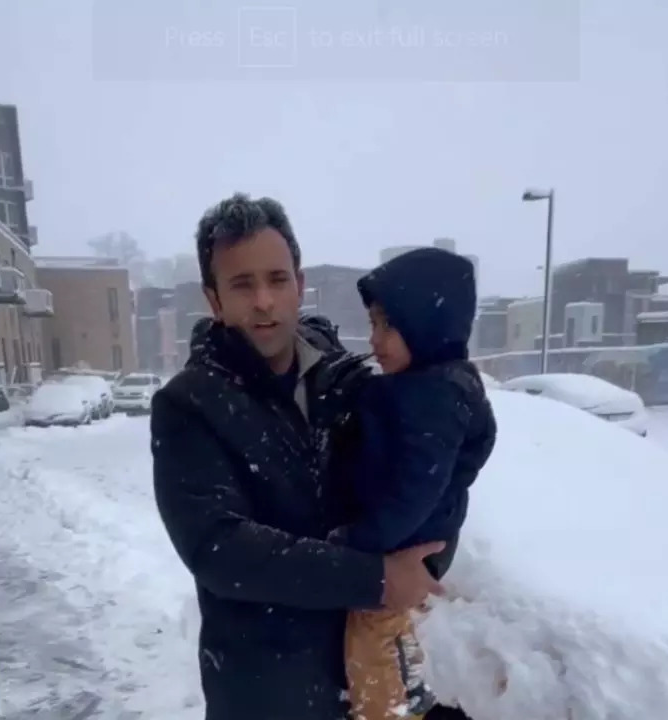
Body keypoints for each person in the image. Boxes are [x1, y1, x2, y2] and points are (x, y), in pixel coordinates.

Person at [150, 193, 447, 720]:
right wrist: (375, 578)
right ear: (214, 300)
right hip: (269, 695)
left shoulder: (347, 381)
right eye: (242, 284)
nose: (264, 300)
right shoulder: (188, 406)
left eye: (277, 279)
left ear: (299, 284)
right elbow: (220, 550)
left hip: (367, 681)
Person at [334, 247, 497, 719]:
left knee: (369, 631)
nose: (375, 339)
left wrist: (360, 543)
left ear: (428, 328)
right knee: (390, 628)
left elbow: (414, 490)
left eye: (389, 325)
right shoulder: (425, 387)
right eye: (372, 325)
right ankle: (407, 689)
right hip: (413, 536)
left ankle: (382, 711)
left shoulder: (434, 397)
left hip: (408, 541)